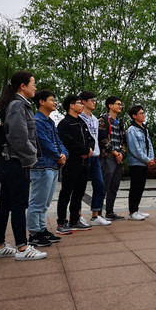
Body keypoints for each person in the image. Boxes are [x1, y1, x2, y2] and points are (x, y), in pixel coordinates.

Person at [0, 71, 47, 261]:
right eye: (33, 83)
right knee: (18, 204)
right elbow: (18, 137)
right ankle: (22, 248)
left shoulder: (17, 104)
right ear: (23, 86)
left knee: (5, 203)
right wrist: (30, 159)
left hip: (11, 160)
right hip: (15, 161)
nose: (35, 87)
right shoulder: (17, 105)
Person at [27, 90, 69, 246]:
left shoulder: (50, 122)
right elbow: (44, 143)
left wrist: (64, 154)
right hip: (42, 166)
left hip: (52, 166)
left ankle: (42, 230)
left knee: (44, 204)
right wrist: (59, 156)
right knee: (37, 202)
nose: (55, 102)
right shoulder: (36, 121)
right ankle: (34, 234)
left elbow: (59, 142)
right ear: (42, 102)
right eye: (52, 100)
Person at [56, 95, 94, 233]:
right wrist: (84, 151)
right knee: (66, 192)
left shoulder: (82, 122)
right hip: (71, 163)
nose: (82, 105)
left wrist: (89, 150)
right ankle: (61, 222)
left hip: (84, 162)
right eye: (79, 103)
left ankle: (74, 220)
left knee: (79, 192)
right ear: (71, 105)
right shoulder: (64, 124)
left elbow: (90, 139)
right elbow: (68, 142)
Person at [79, 91, 111, 226]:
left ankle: (95, 215)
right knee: (79, 187)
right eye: (92, 100)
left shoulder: (95, 119)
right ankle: (78, 215)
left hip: (95, 157)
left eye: (95, 100)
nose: (95, 102)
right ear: (84, 102)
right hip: (83, 157)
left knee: (100, 185)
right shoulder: (78, 118)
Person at [98, 96, 127, 221]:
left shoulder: (120, 121)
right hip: (107, 157)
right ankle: (98, 214)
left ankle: (110, 212)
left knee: (114, 187)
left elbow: (124, 140)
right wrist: (114, 152)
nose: (120, 106)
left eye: (121, 104)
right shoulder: (102, 120)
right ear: (110, 105)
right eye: (118, 104)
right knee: (104, 186)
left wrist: (121, 154)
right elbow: (102, 139)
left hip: (118, 158)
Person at [126, 105, 155, 221]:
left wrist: (151, 158)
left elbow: (149, 145)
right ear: (134, 116)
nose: (143, 115)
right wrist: (147, 159)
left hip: (144, 162)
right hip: (136, 163)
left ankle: (136, 209)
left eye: (143, 113)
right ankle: (132, 212)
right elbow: (135, 149)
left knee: (141, 187)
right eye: (140, 113)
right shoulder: (131, 130)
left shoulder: (144, 129)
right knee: (135, 187)